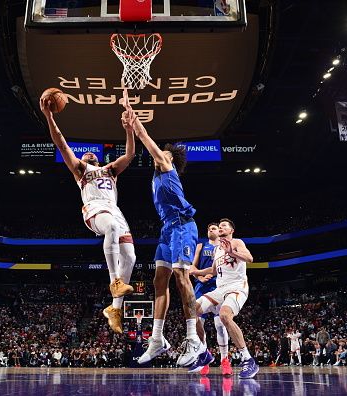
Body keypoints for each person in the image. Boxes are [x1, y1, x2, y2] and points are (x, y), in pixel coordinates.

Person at [39, 90, 136, 334]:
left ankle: (114, 309)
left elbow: (130, 154)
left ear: (99, 158)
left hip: (115, 210)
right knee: (111, 229)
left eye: (93, 154)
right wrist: (49, 116)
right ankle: (114, 281)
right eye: (86, 154)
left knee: (132, 258)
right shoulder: (81, 170)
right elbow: (60, 142)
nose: (89, 154)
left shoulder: (111, 170)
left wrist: (128, 129)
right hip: (94, 209)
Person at [122, 100, 202, 367]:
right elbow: (136, 147)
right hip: (167, 230)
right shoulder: (156, 177)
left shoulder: (169, 171)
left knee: (181, 277)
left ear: (170, 161)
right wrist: (129, 130)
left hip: (182, 226)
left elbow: (146, 139)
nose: (160, 156)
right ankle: (157, 339)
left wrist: (134, 120)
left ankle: (193, 340)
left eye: (164, 154)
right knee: (159, 282)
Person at [188, 218, 259, 379]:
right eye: (219, 226)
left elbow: (250, 258)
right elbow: (212, 270)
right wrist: (195, 272)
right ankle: (203, 352)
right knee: (192, 310)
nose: (220, 228)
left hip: (237, 287)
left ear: (231, 230)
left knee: (225, 316)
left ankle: (248, 359)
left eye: (224, 226)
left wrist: (231, 252)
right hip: (220, 289)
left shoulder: (237, 242)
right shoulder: (217, 250)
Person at [189, 222, 231, 375]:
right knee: (198, 322)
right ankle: (204, 356)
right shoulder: (201, 246)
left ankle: (225, 360)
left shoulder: (225, 247)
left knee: (220, 324)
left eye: (213, 228)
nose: (210, 230)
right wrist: (200, 277)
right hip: (202, 287)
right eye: (208, 229)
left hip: (219, 286)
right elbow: (191, 269)